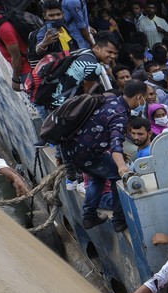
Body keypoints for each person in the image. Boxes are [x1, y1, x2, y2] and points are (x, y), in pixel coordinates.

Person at [61, 79, 149, 232]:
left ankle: (89, 217)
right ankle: (119, 220)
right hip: (88, 152)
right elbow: (116, 144)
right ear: (139, 97)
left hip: (72, 148)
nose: (144, 102)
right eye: (144, 98)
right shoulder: (120, 114)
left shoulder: (109, 99)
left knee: (97, 176)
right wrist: (122, 167)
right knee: (116, 176)